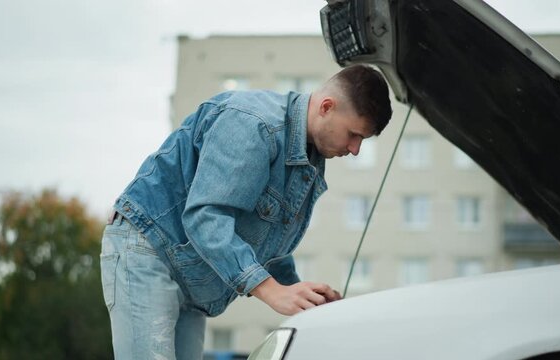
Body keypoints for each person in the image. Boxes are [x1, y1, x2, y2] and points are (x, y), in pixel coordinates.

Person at [100, 64, 392, 359]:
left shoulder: (309, 156)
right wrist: (272, 290)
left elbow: (265, 242)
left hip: (191, 270)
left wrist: (301, 296)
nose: (355, 149)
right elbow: (205, 216)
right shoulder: (253, 123)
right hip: (148, 247)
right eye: (354, 135)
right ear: (327, 107)